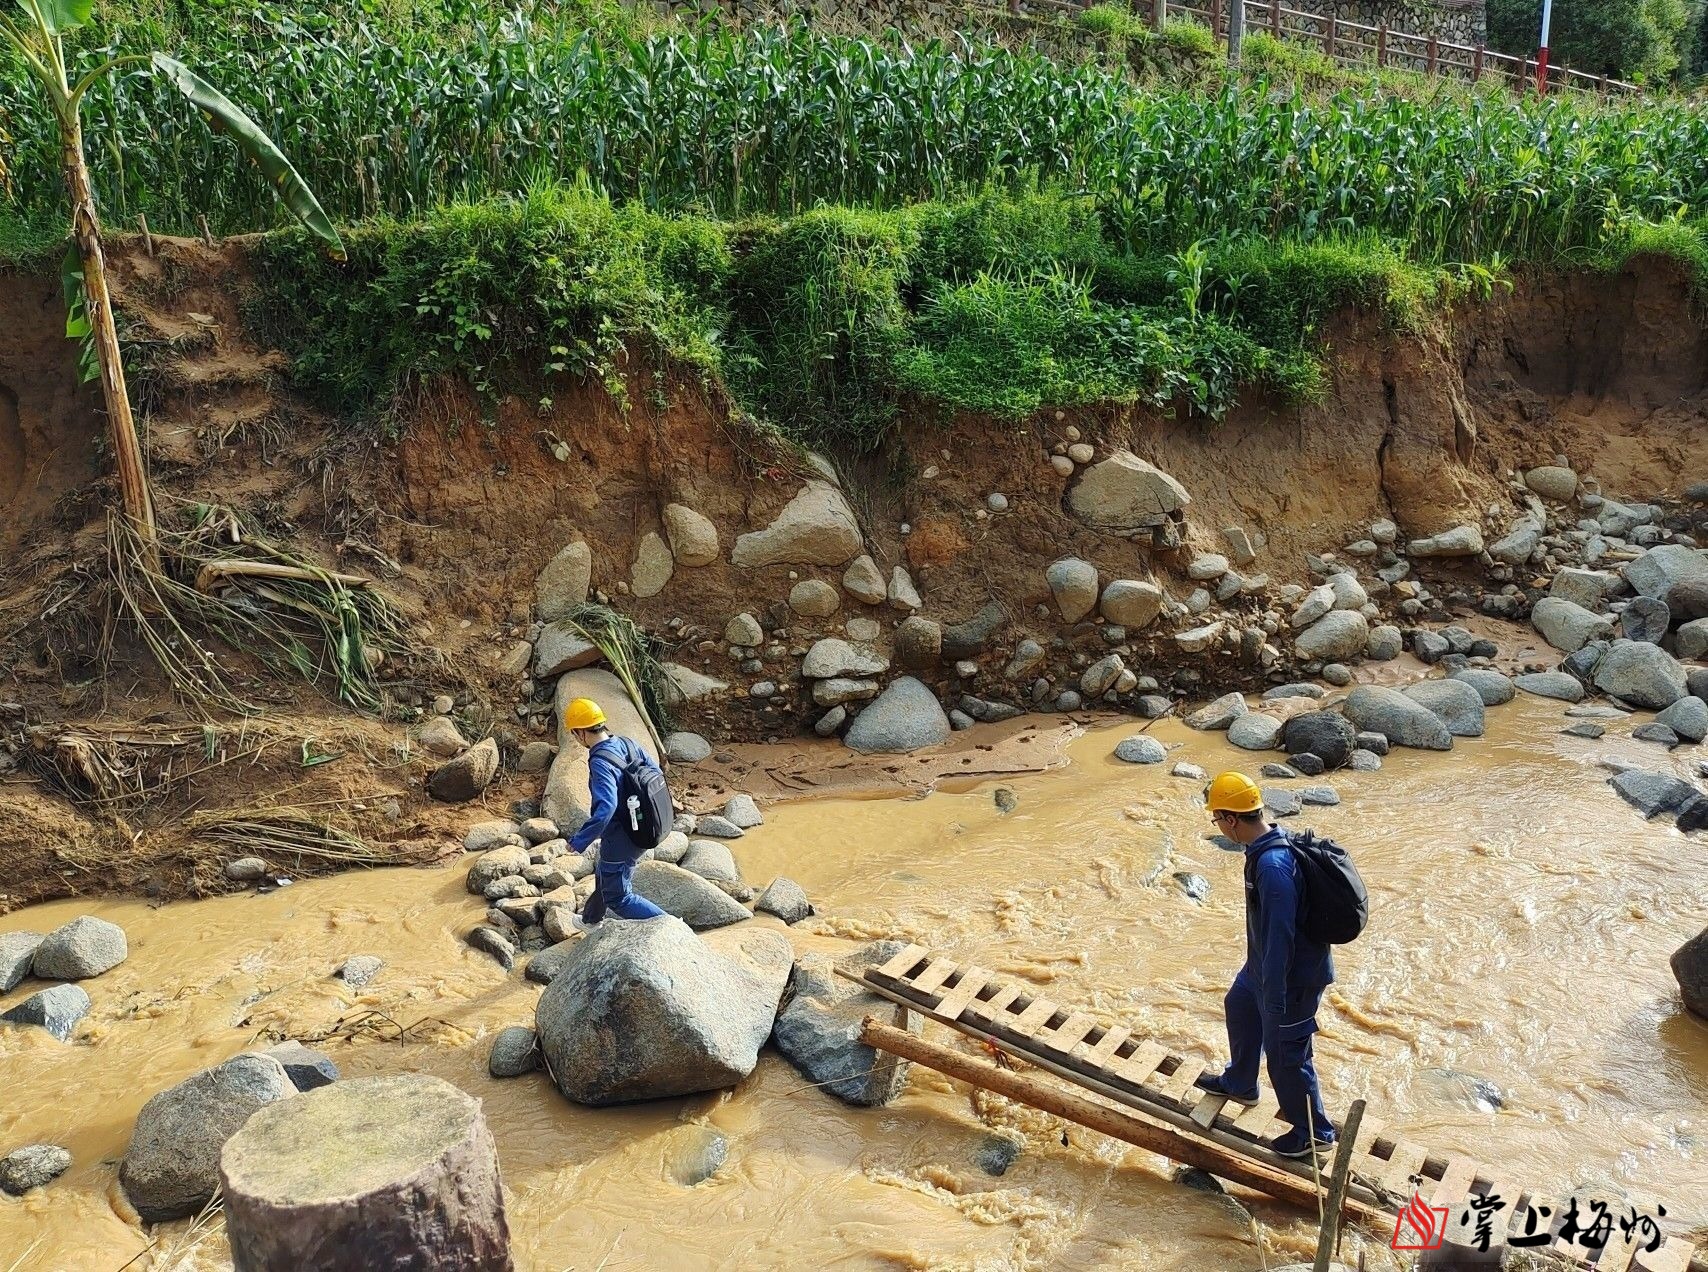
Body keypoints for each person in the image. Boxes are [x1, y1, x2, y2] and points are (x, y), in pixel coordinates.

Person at [1194, 770, 1338, 1160]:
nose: (1218, 826)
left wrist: (1274, 996)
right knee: (1239, 1006)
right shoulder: (1262, 849)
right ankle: (1241, 1082)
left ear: (1231, 820)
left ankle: (1314, 1133)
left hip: (1291, 979)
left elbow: (1281, 936)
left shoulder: (1273, 867)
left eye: (1217, 819)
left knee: (1286, 1055)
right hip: (1263, 968)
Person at [561, 697, 667, 932]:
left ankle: (671, 928)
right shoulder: (627, 743)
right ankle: (591, 920)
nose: (576, 739)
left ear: (581, 733)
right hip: (645, 825)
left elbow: (606, 807)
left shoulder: (600, 761)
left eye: (574, 734)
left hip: (622, 836)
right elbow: (657, 774)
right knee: (605, 870)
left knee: (619, 897)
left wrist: (579, 840)